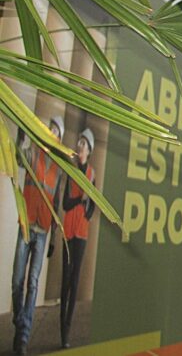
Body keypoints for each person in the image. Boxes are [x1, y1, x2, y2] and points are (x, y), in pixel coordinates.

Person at [11, 116, 65, 355]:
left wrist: (54, 238)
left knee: (32, 283)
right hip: (26, 226)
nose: (51, 133)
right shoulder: (32, 154)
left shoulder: (59, 170)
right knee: (17, 281)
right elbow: (16, 158)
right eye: (50, 128)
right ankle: (20, 321)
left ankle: (23, 335)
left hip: (43, 231)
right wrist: (21, 136)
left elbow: (57, 204)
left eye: (56, 132)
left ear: (59, 139)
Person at [60, 128, 96, 349]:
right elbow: (65, 204)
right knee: (65, 280)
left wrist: (86, 206)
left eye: (84, 144)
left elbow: (92, 207)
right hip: (67, 232)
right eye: (79, 142)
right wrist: (79, 200)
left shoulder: (92, 174)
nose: (80, 146)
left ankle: (68, 327)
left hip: (81, 233)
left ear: (90, 150)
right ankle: (61, 328)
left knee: (75, 280)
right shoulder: (70, 170)